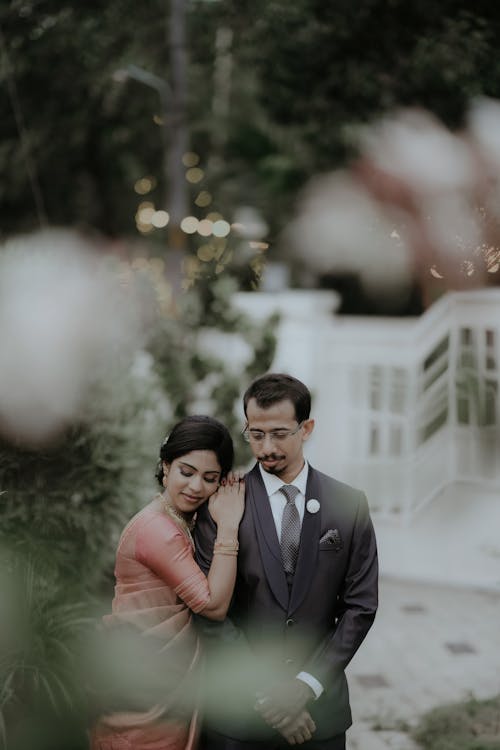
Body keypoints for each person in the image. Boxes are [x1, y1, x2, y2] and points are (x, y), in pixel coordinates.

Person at [194, 374, 378, 750]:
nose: (265, 447)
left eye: (279, 433)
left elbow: (361, 606)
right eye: (255, 434)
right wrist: (269, 695)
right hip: (239, 718)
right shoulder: (222, 505)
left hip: (320, 717)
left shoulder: (349, 505)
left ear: (306, 428)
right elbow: (207, 611)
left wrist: (305, 685)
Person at [90, 415, 245, 750]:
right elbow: (213, 605)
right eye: (186, 472)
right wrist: (230, 526)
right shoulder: (157, 530)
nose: (195, 487)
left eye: (210, 478)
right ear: (165, 467)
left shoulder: (182, 519)